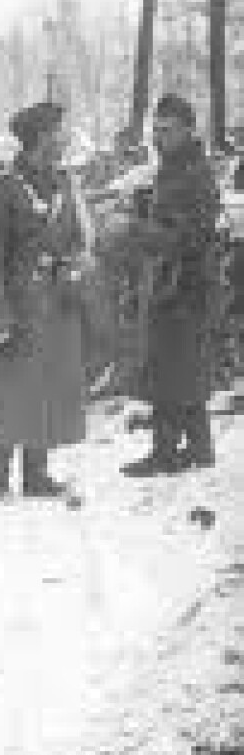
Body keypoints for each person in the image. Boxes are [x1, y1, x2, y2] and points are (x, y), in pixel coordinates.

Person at [0, 101, 92, 501]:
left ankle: (36, 476)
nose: (64, 138)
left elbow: (75, 237)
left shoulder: (62, 184)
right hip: (15, 305)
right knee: (7, 387)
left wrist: (72, 266)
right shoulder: (1, 188)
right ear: (39, 137)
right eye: (58, 132)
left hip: (54, 305)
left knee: (45, 385)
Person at [120, 94, 223, 475]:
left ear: (188, 130)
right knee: (183, 367)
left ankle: (165, 453)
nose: (157, 137)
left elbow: (195, 234)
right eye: (155, 129)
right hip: (175, 281)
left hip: (186, 284)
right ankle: (199, 447)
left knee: (169, 367)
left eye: (166, 130)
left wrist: (142, 231)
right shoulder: (174, 167)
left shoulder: (194, 172)